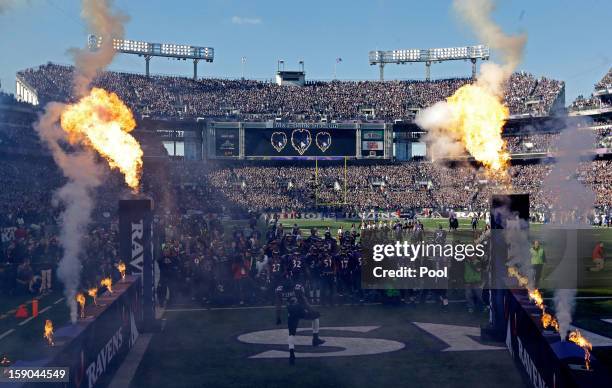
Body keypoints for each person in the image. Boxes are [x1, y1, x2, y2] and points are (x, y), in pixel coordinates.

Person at [275, 275, 325, 365]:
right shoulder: (297, 288)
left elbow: (279, 305)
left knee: (291, 334)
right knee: (315, 317)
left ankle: (291, 354)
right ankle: (315, 338)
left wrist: (278, 317)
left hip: (291, 313)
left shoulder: (279, 290)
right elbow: (304, 301)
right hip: (300, 310)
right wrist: (312, 311)